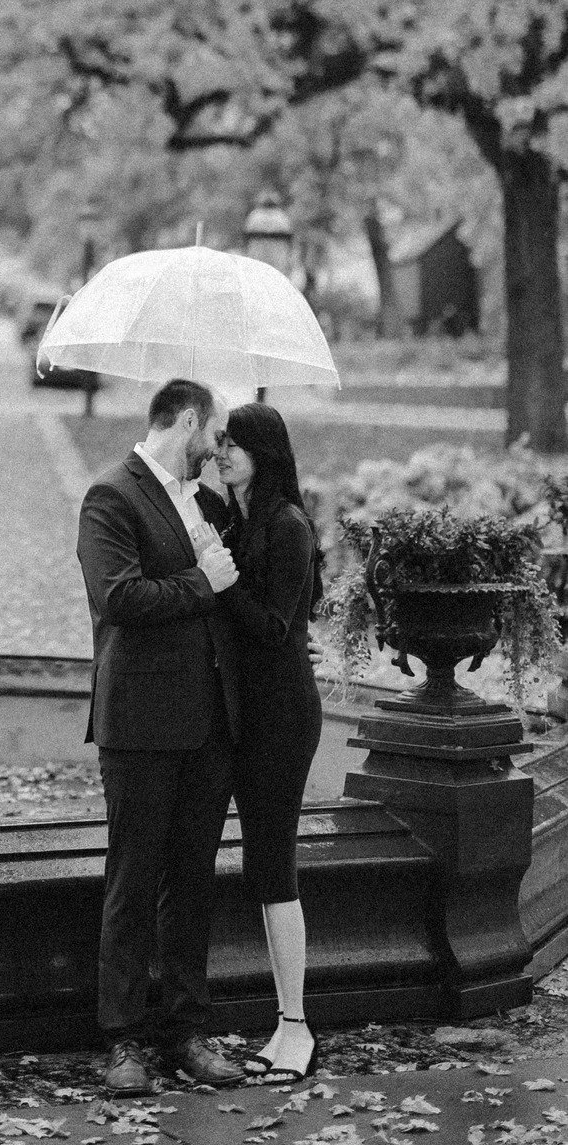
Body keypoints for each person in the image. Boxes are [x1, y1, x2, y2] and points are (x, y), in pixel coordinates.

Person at [76, 377, 245, 1096]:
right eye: (214, 434)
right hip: (141, 723)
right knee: (134, 879)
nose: (217, 449)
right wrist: (203, 581)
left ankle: (185, 1032)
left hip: (206, 722)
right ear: (187, 420)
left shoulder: (199, 501)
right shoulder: (111, 495)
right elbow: (118, 598)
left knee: (193, 882)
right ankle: (122, 1040)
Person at [213, 400, 325, 1083]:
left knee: (274, 864)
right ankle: (285, 1021)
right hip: (246, 714)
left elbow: (273, 628)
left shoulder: (286, 526)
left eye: (234, 443)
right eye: (219, 442)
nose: (221, 453)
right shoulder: (238, 520)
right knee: (261, 868)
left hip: (281, 715)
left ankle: (297, 1027)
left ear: (265, 453)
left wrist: (221, 583)